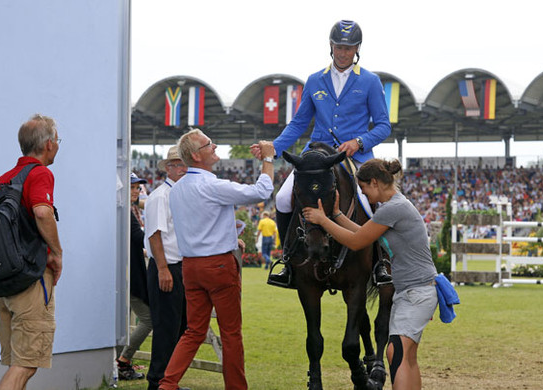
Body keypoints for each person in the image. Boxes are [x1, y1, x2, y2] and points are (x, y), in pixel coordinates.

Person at [254, 20, 392, 287]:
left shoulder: (371, 81)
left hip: (354, 156)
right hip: (316, 155)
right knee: (283, 198)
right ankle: (288, 261)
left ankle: (379, 263)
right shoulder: (315, 80)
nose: (343, 53)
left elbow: (384, 125)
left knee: (374, 205)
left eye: (349, 48)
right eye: (339, 47)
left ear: (357, 49)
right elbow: (298, 123)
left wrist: (360, 141)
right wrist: (274, 147)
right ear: (331, 46)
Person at [302, 158, 438, 390]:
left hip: (416, 292)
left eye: (363, 188)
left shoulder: (393, 208)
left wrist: (323, 221)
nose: (363, 194)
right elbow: (366, 234)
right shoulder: (391, 207)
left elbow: (356, 242)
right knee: (405, 355)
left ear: (374, 182)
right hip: (414, 291)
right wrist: (336, 215)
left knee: (396, 352)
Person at [159, 129, 274, 390]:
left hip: (191, 266)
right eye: (209, 144)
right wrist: (268, 160)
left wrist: (229, 231)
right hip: (218, 265)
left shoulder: (177, 190)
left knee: (194, 331)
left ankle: (167, 384)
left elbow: (201, 222)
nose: (214, 146)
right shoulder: (212, 184)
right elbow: (261, 191)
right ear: (197, 156)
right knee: (231, 333)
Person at [0, 114, 63, 390]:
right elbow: (43, 212)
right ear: (48, 144)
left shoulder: (6, 178)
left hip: (0, 284)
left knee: (17, 363)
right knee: (26, 364)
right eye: (57, 140)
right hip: (30, 283)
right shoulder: (40, 173)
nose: (58, 145)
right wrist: (56, 253)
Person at [143, 146, 188, 390]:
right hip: (167, 266)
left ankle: (168, 381)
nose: (183, 169)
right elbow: (154, 235)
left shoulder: (178, 195)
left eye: (184, 164)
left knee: (181, 327)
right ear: (168, 168)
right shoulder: (160, 196)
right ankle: (158, 381)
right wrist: (162, 268)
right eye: (178, 164)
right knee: (166, 329)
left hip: (179, 267)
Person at [116, 173, 152, 380]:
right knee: (149, 319)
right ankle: (123, 361)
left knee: (127, 319)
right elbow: (138, 238)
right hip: (130, 274)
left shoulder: (129, 209)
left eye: (138, 187)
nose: (137, 191)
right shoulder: (126, 211)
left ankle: (121, 361)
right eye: (133, 187)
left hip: (129, 271)